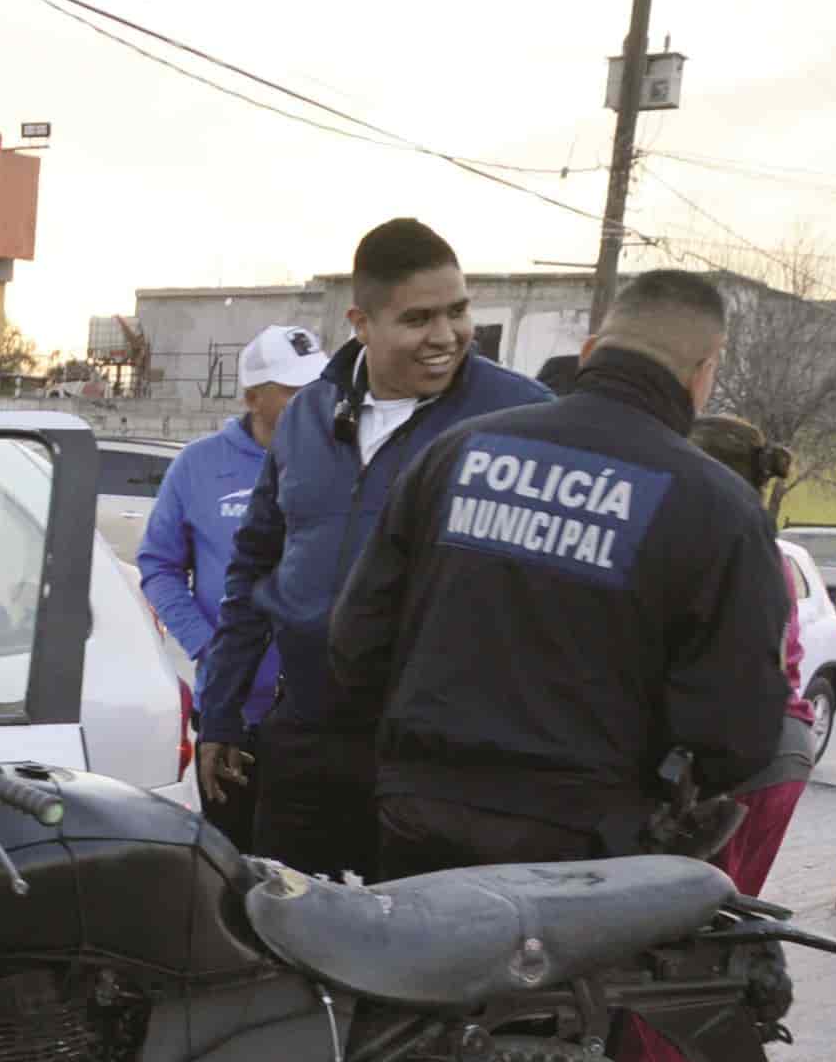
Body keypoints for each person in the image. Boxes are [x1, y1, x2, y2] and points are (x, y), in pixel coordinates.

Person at [324, 267, 787, 877]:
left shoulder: (458, 452)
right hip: (585, 841)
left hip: (420, 810)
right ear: (704, 375)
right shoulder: (720, 508)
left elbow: (356, 639)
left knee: (408, 972)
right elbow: (736, 729)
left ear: (591, 351)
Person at [195, 219, 551, 881]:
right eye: (417, 318)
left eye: (458, 311)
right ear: (361, 321)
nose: (445, 337)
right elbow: (252, 569)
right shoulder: (306, 416)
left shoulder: (520, 419)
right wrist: (219, 711)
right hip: (304, 730)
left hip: (435, 758)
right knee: (281, 929)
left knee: (411, 955)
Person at [611, 412, 821, 1062]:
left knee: (679, 933)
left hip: (744, 763)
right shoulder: (758, 539)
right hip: (783, 754)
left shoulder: (724, 541)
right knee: (720, 932)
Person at [136, 323, 330, 847]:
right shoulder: (199, 466)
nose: (315, 402)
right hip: (232, 712)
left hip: (319, 714)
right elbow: (158, 566)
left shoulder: (341, 460)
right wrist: (207, 645)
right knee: (233, 862)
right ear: (253, 397)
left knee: (307, 866)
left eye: (321, 387)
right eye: (296, 392)